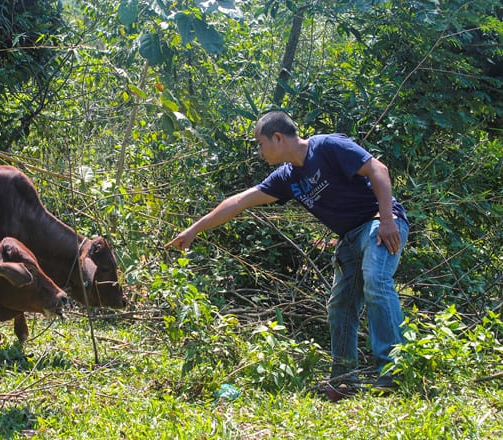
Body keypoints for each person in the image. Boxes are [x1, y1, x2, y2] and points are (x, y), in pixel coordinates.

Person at [166, 111, 409, 397]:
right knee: (340, 305)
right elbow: (239, 201)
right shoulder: (285, 178)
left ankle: (395, 372)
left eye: (260, 143)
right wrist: (194, 229)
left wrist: (388, 220)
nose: (259, 151)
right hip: (349, 239)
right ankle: (344, 380)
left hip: (379, 224)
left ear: (278, 137)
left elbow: (378, 170)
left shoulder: (328, 146)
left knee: (376, 281)